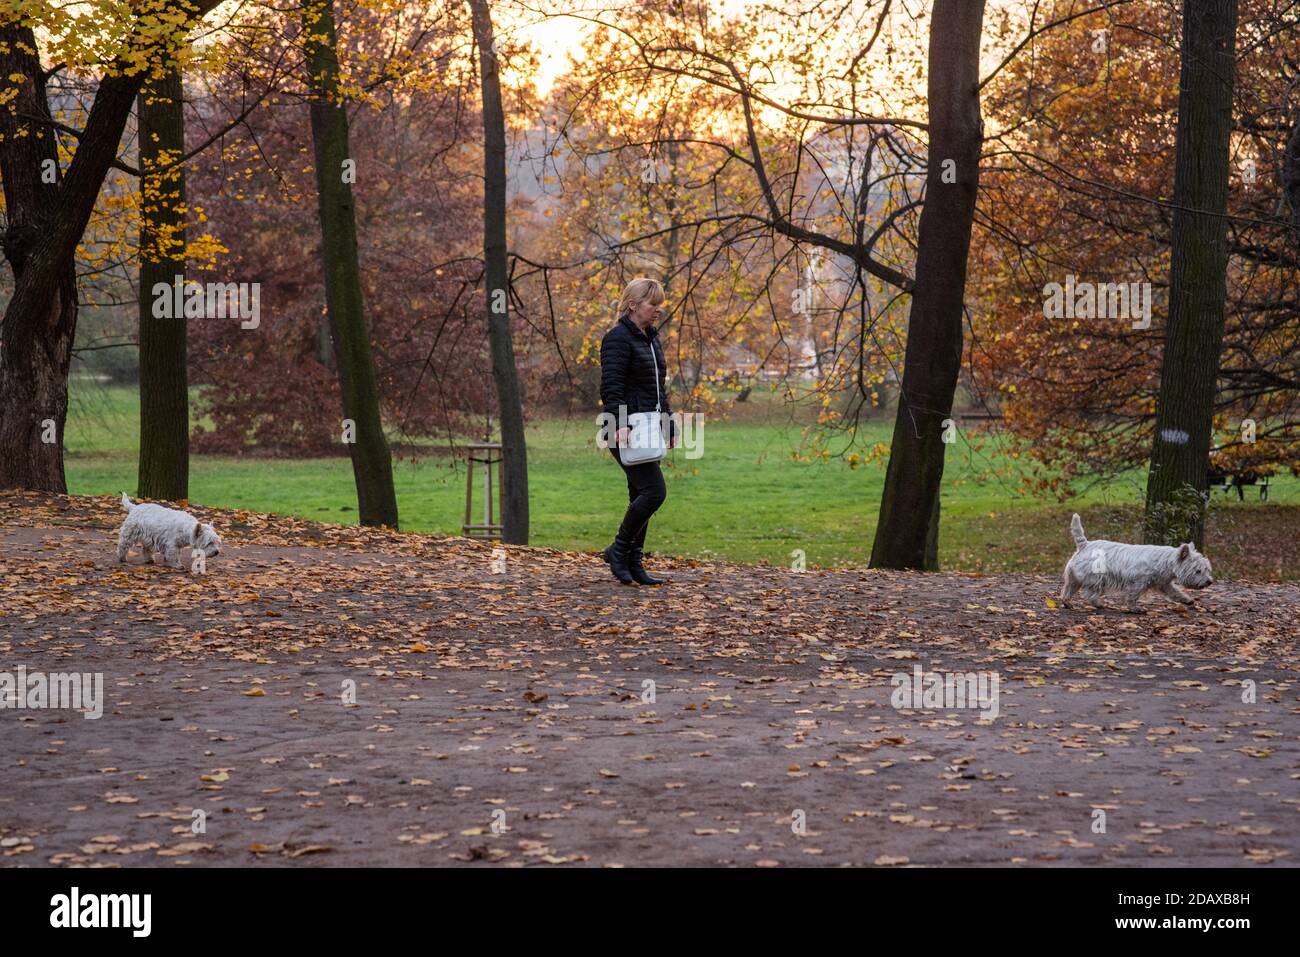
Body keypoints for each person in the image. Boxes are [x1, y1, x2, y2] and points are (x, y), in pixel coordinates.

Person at [599, 277, 678, 585]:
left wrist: (668, 424)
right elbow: (612, 386)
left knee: (639, 493)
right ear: (633, 305)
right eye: (652, 303)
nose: (658, 310)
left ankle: (633, 560)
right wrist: (619, 424)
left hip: (649, 426)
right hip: (626, 428)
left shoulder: (650, 338)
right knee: (654, 492)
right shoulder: (617, 338)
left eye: (660, 303)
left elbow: (659, 389)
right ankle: (619, 550)